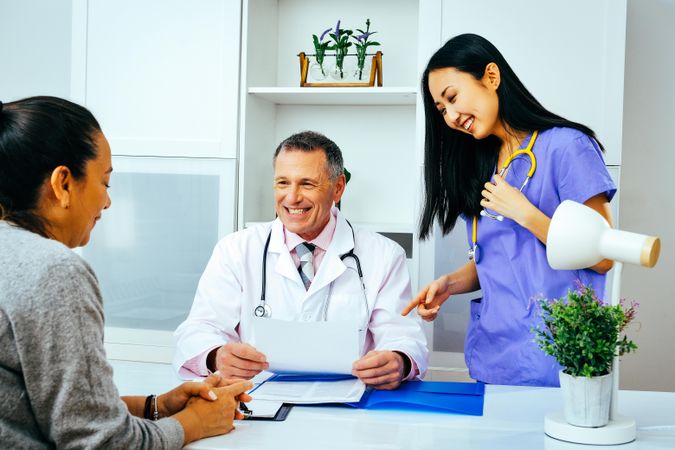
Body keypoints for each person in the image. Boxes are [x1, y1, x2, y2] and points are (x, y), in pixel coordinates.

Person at [0, 96, 252, 449]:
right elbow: (103, 442)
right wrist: (193, 423)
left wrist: (156, 407)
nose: (107, 201)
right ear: (63, 183)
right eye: (105, 182)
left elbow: (47, 409)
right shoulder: (54, 271)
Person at [402, 34, 616, 387]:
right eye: (442, 110)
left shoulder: (567, 147)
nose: (452, 116)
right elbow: (502, 257)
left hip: (560, 359)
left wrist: (526, 213)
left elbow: (604, 257)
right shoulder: (483, 166)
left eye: (453, 98)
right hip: (494, 358)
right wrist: (450, 284)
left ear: (491, 76)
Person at [174, 131, 428, 390]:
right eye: (283, 183)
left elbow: (403, 336)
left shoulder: (384, 255)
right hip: (255, 399)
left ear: (338, 188)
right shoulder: (236, 249)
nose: (292, 197)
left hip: (350, 405)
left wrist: (398, 361)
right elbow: (199, 329)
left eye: (307, 184)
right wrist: (216, 355)